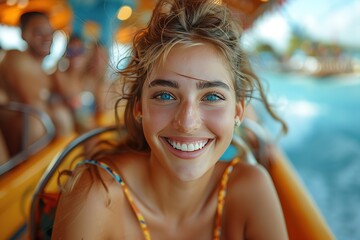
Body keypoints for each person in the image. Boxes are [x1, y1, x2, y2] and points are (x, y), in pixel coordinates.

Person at [52, 0, 288, 239]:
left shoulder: (252, 189)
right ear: (138, 107)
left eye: (212, 96)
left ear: (238, 113)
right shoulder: (95, 194)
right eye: (165, 95)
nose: (187, 122)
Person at [0, 11, 74, 154]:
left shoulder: (44, 70)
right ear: (24, 35)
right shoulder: (16, 57)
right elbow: (34, 105)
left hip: (36, 134)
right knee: (39, 122)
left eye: (50, 32)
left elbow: (73, 97)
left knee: (59, 115)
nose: (47, 38)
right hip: (15, 143)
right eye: (39, 32)